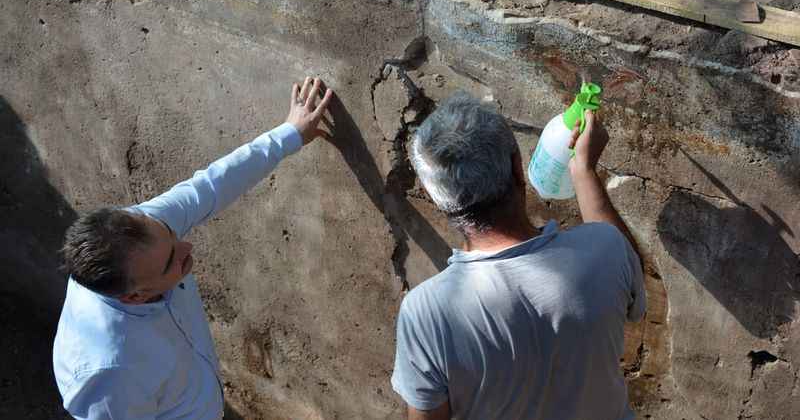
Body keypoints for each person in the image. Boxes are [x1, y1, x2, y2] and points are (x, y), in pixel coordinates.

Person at [53, 77, 333, 420]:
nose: (186, 246)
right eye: (172, 260)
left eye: (171, 235)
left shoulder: (142, 232)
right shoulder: (109, 372)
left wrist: (290, 133)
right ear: (135, 297)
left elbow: (210, 186)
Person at [391, 93, 646, 420]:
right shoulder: (605, 250)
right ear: (517, 166)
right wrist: (583, 170)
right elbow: (628, 275)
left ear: (438, 198)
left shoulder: (426, 313)